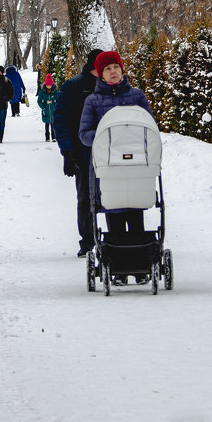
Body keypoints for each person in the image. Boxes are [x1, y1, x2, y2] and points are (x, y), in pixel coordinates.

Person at [78, 50, 154, 284]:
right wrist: (106, 137)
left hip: (136, 165)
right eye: (107, 69)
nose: (113, 72)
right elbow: (84, 134)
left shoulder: (137, 96)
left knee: (136, 211)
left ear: (122, 70)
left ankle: (141, 268)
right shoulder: (92, 101)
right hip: (108, 165)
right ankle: (118, 267)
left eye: (116, 68)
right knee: (115, 212)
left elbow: (149, 127)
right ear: (100, 74)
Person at [53, 48, 103, 257]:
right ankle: (87, 241)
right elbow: (61, 119)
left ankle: (112, 239)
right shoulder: (73, 87)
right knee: (85, 198)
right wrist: (67, 151)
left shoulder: (112, 86)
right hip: (82, 152)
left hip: (110, 152)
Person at [38, 73, 59, 140]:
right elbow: (39, 100)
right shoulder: (42, 91)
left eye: (50, 85)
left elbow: (58, 99)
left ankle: (54, 137)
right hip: (46, 110)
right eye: (48, 85)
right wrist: (43, 107)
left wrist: (56, 106)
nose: (49, 87)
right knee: (46, 124)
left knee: (53, 124)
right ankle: (47, 137)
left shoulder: (55, 91)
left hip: (53, 110)